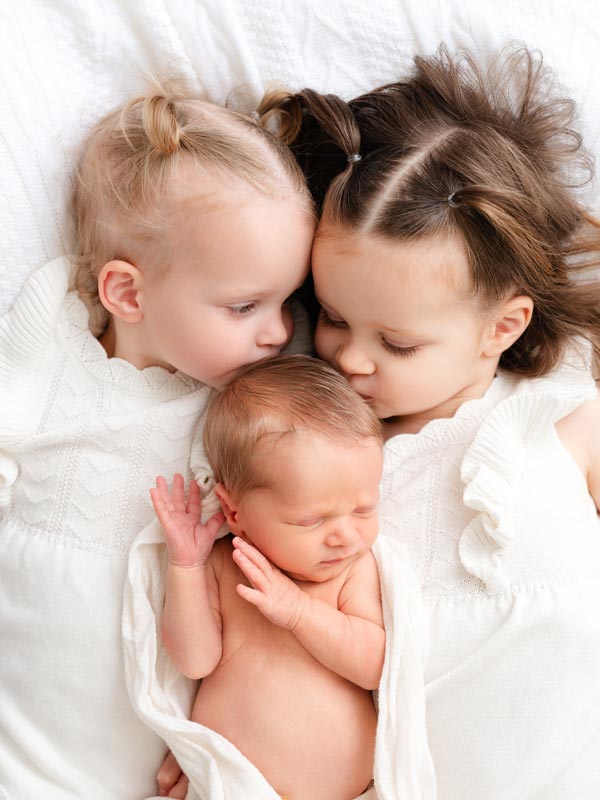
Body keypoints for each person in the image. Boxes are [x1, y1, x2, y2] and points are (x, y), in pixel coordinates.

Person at [262, 46, 600, 798]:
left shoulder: (561, 413)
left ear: (501, 328)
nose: (350, 359)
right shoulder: (336, 460)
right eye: (335, 317)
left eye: (399, 343)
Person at [0, 81, 314, 799]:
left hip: (152, 741)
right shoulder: (49, 351)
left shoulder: (237, 412)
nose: (277, 331)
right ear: (127, 294)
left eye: (285, 302)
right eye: (244, 306)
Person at [149, 354, 384, 800]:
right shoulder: (226, 564)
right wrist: (186, 566)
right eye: (311, 521)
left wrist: (297, 611)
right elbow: (194, 661)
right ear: (235, 511)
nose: (344, 535)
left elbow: (374, 666)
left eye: (363, 509)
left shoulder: (352, 570)